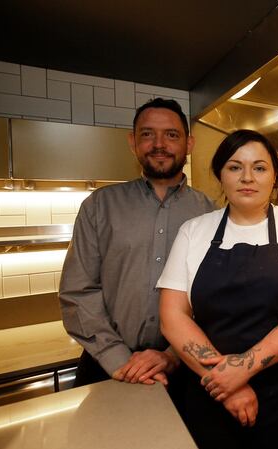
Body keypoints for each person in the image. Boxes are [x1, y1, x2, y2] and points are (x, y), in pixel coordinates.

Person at [157, 129, 278, 449]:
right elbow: (172, 316)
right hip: (214, 392)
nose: (247, 177)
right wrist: (228, 384)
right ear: (220, 175)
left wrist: (242, 369)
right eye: (235, 167)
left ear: (274, 176)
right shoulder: (193, 232)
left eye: (260, 167)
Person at [59, 98, 214, 388]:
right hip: (109, 367)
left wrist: (172, 355)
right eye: (147, 134)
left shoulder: (211, 213)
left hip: (186, 368)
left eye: (171, 134)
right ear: (132, 142)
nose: (159, 144)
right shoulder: (98, 206)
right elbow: (78, 292)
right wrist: (119, 361)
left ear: (189, 144)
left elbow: (216, 298)